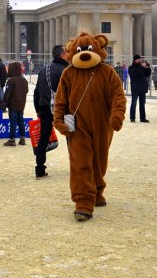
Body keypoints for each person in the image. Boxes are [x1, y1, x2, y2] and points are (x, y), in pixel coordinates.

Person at [52, 33, 126, 221]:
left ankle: (97, 189)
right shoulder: (68, 74)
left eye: (89, 50)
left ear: (99, 50)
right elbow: (60, 101)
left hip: (102, 124)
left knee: (99, 161)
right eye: (79, 50)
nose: (84, 54)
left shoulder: (107, 72)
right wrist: (59, 121)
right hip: (75, 125)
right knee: (80, 162)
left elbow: (118, 96)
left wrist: (117, 115)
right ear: (71, 52)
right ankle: (83, 202)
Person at [32, 44, 69, 178]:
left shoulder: (43, 70)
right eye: (67, 52)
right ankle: (76, 164)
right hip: (65, 109)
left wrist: (37, 109)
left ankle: (39, 168)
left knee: (43, 138)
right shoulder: (67, 70)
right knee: (71, 136)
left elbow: (36, 92)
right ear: (62, 55)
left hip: (45, 108)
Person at [2, 61, 29, 146]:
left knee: (13, 121)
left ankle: (12, 139)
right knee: (21, 120)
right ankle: (22, 138)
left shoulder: (11, 80)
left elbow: (7, 93)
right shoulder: (24, 80)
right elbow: (27, 91)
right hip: (21, 104)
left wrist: (4, 103)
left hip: (13, 104)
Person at [127, 55, 151, 123]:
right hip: (135, 88)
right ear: (135, 60)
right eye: (139, 59)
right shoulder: (131, 67)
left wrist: (148, 67)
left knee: (142, 104)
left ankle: (142, 118)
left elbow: (148, 74)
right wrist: (141, 66)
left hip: (142, 88)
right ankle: (132, 118)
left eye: (140, 59)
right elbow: (134, 74)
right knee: (134, 103)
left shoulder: (141, 67)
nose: (140, 61)